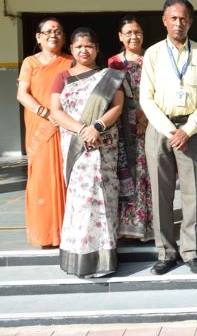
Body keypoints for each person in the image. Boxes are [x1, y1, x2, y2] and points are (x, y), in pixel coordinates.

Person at [140, 0, 197, 275]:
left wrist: (187, 130)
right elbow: (146, 98)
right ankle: (166, 252)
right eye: (173, 18)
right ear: (164, 21)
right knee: (161, 193)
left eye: (183, 18)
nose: (178, 23)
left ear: (190, 21)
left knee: (192, 194)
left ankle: (191, 251)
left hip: (191, 130)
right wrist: (171, 131)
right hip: (160, 130)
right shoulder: (153, 53)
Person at [50, 27, 125, 278]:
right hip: (77, 147)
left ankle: (104, 258)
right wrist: (82, 129)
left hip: (102, 147)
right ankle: (78, 256)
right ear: (71, 49)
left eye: (89, 46)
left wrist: (97, 127)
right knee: (80, 203)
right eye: (79, 46)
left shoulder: (109, 76)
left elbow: (117, 107)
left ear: (97, 49)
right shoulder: (62, 77)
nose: (84, 50)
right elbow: (56, 111)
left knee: (103, 199)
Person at [16, 17, 72, 247]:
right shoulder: (30, 62)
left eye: (58, 31)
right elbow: (22, 94)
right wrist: (46, 113)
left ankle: (66, 231)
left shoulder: (70, 61)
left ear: (64, 37)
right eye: (48, 32)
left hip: (65, 127)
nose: (53, 35)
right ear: (38, 37)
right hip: (40, 127)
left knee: (66, 176)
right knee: (41, 178)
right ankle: (45, 233)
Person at [108, 15, 153, 242]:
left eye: (137, 32)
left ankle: (147, 225)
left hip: (150, 122)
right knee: (125, 172)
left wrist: (145, 119)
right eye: (128, 33)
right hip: (123, 124)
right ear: (120, 36)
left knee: (147, 172)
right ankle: (127, 226)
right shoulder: (113, 62)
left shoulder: (151, 59)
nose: (133, 37)